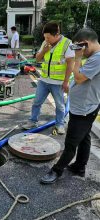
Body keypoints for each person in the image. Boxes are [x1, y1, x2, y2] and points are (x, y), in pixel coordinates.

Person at [41, 28, 100, 184]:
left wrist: (78, 58)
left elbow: (79, 78)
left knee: (70, 143)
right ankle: (79, 166)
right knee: (84, 138)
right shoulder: (95, 56)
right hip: (84, 107)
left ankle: (56, 171)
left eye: (77, 47)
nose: (76, 51)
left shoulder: (98, 58)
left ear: (85, 44)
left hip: (84, 109)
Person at [22, 21, 75, 134]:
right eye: (45, 37)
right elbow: (37, 59)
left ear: (57, 35)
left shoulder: (67, 44)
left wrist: (66, 82)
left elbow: (71, 64)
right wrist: (44, 50)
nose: (46, 39)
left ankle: (60, 124)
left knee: (60, 105)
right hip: (44, 80)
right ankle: (33, 121)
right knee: (37, 102)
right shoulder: (45, 43)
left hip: (58, 82)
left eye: (48, 37)